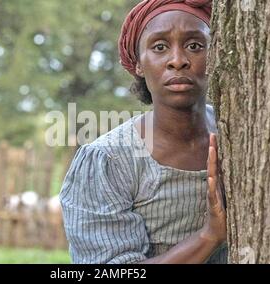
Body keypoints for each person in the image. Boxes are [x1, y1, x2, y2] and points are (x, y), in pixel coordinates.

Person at [60, 0, 227, 264]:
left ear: (215, 54)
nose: (178, 61)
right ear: (138, 63)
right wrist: (209, 236)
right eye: (159, 47)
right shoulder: (110, 160)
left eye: (194, 45)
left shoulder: (235, 133)